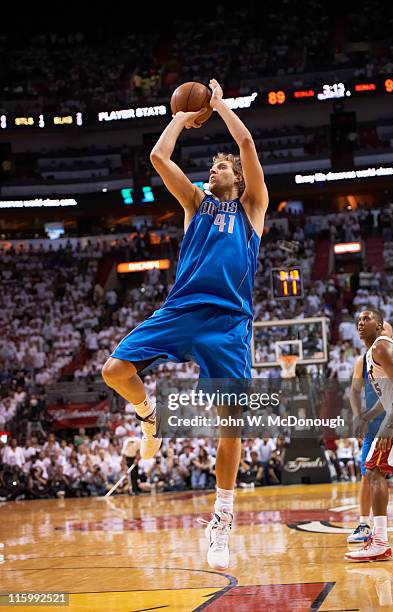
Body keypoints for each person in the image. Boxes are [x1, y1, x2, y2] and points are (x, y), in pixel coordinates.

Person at [102, 77, 268, 569]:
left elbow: (246, 143)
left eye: (217, 167)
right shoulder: (196, 203)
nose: (210, 170)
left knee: (231, 423)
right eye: (210, 167)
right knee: (114, 371)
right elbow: (158, 158)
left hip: (228, 321)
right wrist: (181, 116)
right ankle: (150, 416)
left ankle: (222, 516)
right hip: (181, 308)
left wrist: (217, 105)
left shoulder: (251, 208)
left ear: (233, 178)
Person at [345, 310, 393, 562]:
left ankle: (379, 542)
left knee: (373, 471)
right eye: (358, 320)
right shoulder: (372, 355)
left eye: (367, 319)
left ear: (380, 325)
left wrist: (388, 426)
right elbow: (389, 394)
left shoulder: (381, 347)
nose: (361, 323)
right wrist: (368, 416)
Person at [348, 320, 393, 543]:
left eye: (384, 329)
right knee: (368, 475)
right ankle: (364, 524)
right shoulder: (363, 361)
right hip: (375, 428)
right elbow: (355, 391)